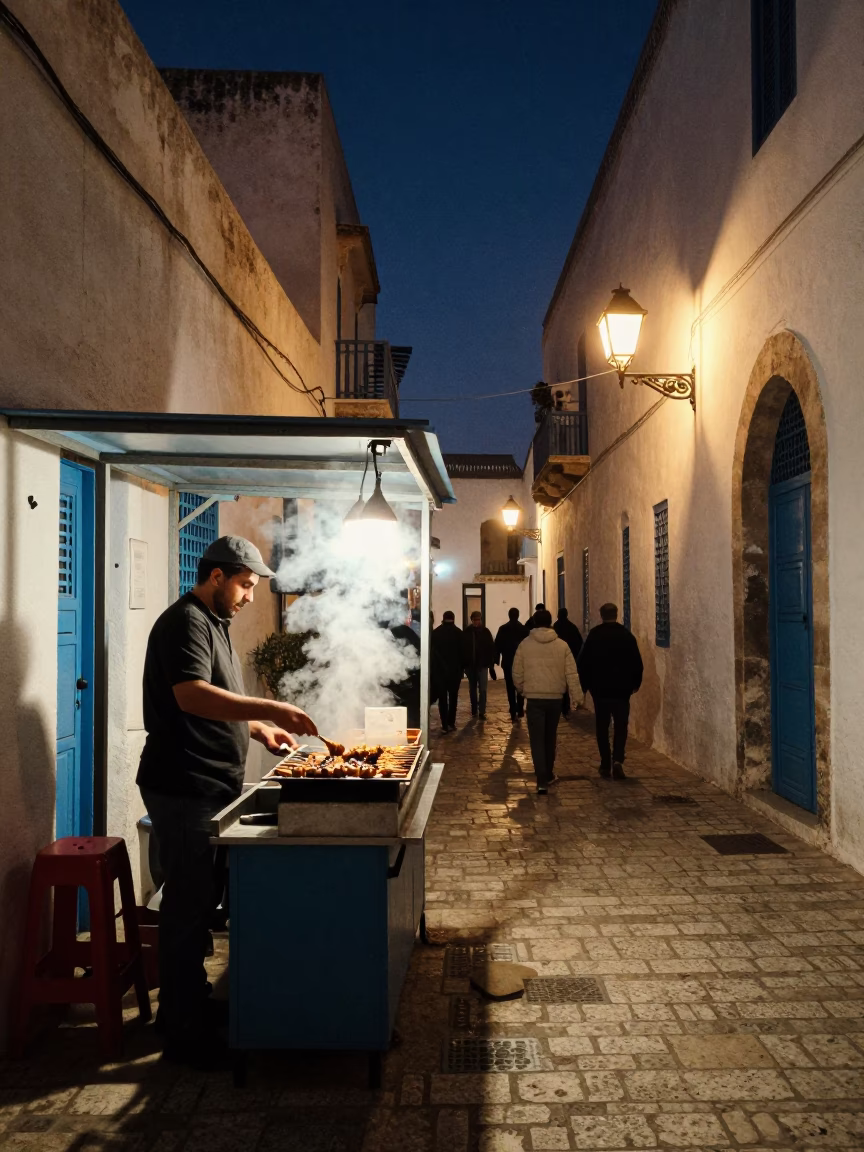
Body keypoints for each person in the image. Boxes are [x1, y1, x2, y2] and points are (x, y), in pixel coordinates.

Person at [137, 536, 317, 1067]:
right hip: (184, 782)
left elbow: (215, 702)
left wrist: (258, 728)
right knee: (188, 908)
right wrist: (273, 707)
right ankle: (184, 1037)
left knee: (199, 901)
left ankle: (186, 1009)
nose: (248, 597)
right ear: (216, 577)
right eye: (244, 585)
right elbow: (190, 695)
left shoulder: (214, 624)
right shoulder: (187, 621)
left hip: (209, 781)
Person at [512, 609, 580, 794]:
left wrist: (521, 689)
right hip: (555, 699)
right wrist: (577, 697)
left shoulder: (524, 645)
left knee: (536, 739)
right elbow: (571, 673)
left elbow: (517, 672)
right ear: (550, 622)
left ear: (534, 622)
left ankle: (541, 778)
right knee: (550, 737)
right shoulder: (562, 646)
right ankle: (548, 774)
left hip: (534, 699)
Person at [577, 602, 643, 780]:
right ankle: (618, 760)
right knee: (621, 726)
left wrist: (584, 686)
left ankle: (605, 762)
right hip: (622, 691)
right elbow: (636, 662)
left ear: (601, 615)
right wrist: (635, 684)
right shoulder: (626, 635)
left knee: (602, 727)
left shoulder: (595, 635)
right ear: (616, 614)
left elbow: (583, 663)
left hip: (600, 691)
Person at [461, 611, 497, 720]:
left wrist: (491, 665)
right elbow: (463, 649)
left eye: (478, 619)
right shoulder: (467, 632)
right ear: (472, 620)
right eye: (475, 619)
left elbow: (491, 648)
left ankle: (482, 710)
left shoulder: (485, 632)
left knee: (482, 689)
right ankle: (474, 709)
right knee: (472, 688)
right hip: (471, 665)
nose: (476, 621)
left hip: (482, 665)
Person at [494, 607, 528, 721]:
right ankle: (520, 709)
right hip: (521, 663)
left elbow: (497, 645)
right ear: (518, 615)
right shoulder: (523, 629)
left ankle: (513, 711)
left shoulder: (503, 629)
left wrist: (496, 661)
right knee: (520, 686)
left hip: (508, 661)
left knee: (510, 687)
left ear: (509, 615)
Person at [432, 610, 463, 732]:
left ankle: (444, 724)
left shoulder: (436, 633)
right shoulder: (459, 633)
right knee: (453, 697)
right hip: (455, 671)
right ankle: (451, 722)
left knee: (443, 698)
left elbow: (432, 653)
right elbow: (463, 654)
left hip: (440, 672)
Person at [554, 608, 584, 716]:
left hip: (557, 660)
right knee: (567, 682)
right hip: (569, 658)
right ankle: (566, 707)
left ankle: (561, 705)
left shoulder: (555, 628)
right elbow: (579, 642)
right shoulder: (572, 627)